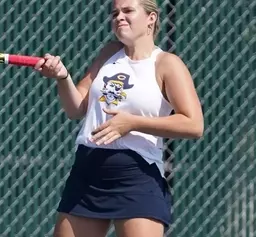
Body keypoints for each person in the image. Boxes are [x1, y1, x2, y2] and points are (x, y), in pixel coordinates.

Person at [34, 0, 204, 236]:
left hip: (136, 176)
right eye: (115, 13)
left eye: (127, 11)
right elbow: (76, 108)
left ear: (151, 18)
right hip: (88, 172)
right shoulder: (109, 53)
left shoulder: (167, 64)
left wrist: (133, 123)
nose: (119, 17)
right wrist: (63, 77)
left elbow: (194, 124)